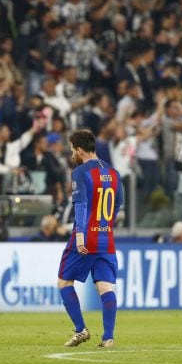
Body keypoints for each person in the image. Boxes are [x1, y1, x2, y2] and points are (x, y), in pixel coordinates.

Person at [58, 129, 124, 348]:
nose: (71, 154)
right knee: (105, 286)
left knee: (64, 282)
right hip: (106, 236)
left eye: (71, 150)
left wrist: (79, 235)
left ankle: (81, 330)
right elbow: (117, 205)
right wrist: (105, 225)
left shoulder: (80, 172)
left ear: (78, 150)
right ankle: (108, 337)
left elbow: (81, 204)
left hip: (86, 236)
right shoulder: (114, 173)